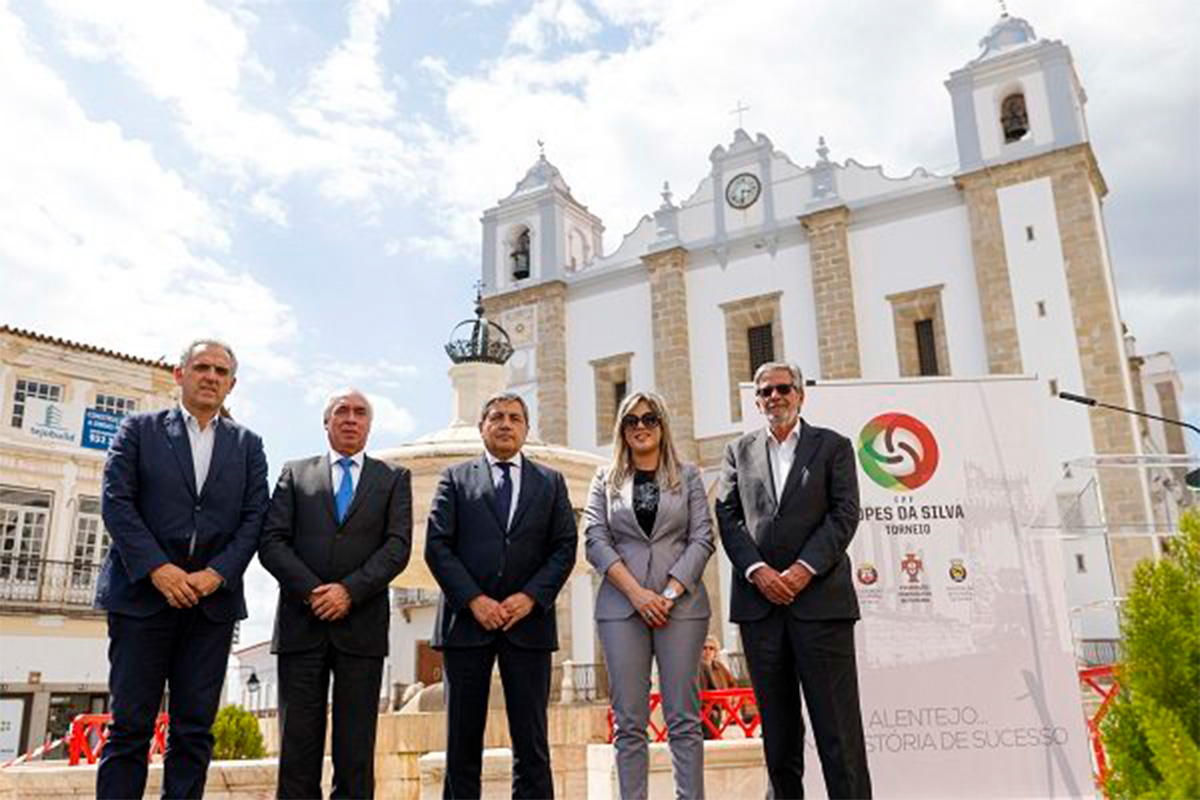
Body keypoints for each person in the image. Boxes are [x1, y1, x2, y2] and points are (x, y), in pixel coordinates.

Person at [96, 339, 268, 800]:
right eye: (202, 367)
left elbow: (255, 518)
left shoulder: (248, 445)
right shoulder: (138, 430)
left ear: (232, 384)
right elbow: (116, 503)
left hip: (211, 606)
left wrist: (217, 573)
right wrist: (159, 570)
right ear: (180, 374)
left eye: (221, 371)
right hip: (142, 599)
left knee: (194, 732)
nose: (211, 377)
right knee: (130, 728)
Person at [715, 362, 871, 799]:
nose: (775, 397)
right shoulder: (738, 452)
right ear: (757, 400)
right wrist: (757, 571)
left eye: (784, 388)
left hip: (821, 607)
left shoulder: (833, 447)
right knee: (779, 739)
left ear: (801, 395)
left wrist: (803, 570)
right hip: (760, 610)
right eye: (766, 391)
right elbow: (727, 517)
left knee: (839, 735)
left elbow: (844, 515)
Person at [259, 388, 412, 799]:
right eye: (341, 411)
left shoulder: (393, 479)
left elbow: (397, 547)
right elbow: (272, 542)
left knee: (356, 750)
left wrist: (349, 591)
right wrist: (313, 592)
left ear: (369, 424)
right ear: (326, 423)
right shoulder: (295, 473)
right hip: (300, 627)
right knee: (297, 750)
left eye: (360, 412)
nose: (350, 418)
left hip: (360, 629)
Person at [425, 392, 577, 799]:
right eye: (496, 417)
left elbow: (564, 547)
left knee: (531, 742)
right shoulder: (454, 478)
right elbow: (437, 546)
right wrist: (475, 600)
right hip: (466, 625)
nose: (505, 423)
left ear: (526, 429)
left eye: (514, 417)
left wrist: (530, 597)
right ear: (482, 427)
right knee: (461, 742)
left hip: (528, 624)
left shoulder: (550, 482)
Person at [583, 391, 714, 800]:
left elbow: (703, 537)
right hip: (622, 608)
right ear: (622, 429)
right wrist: (639, 595)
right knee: (629, 721)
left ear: (662, 425)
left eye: (650, 418)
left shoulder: (689, 475)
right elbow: (595, 539)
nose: (641, 426)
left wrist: (670, 593)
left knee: (684, 718)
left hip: (683, 608)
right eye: (631, 420)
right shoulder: (605, 480)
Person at [699, 636, 737, 739]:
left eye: (711, 648)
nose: (708, 651)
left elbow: (732, 684)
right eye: (704, 648)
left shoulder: (719, 667)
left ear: (715, 652)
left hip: (722, 710)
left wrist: (731, 698)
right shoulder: (695, 668)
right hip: (703, 713)